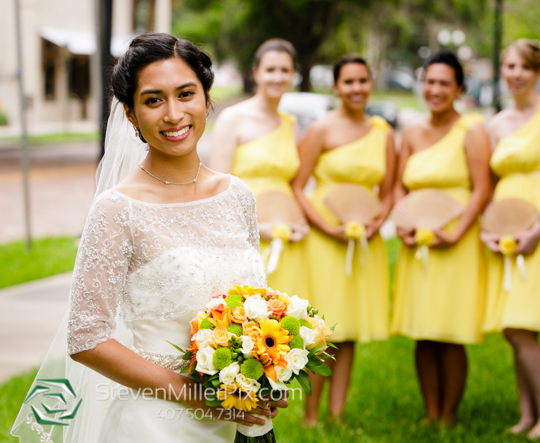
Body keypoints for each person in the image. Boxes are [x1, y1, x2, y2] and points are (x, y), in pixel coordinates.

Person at [12, 33, 286, 442]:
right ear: (132, 114)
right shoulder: (116, 209)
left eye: (186, 94)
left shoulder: (237, 195)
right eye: (154, 100)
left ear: (207, 99)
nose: (174, 114)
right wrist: (201, 397)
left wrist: (267, 371)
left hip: (246, 418)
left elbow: (254, 304)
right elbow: (86, 337)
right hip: (158, 424)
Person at [291, 54, 395, 426]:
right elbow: (299, 187)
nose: (356, 88)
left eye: (362, 81)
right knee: (324, 329)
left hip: (364, 239)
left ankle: (337, 413)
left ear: (371, 84)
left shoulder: (383, 132)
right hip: (325, 237)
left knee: (350, 331)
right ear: (336, 86)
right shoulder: (320, 129)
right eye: (348, 81)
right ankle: (310, 414)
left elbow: (389, 189)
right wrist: (324, 225)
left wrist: (376, 222)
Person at [390, 51, 491, 427]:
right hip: (417, 241)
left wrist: (457, 233)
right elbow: (400, 184)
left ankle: (449, 415)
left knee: (450, 330)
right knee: (424, 329)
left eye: (444, 83)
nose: (435, 90)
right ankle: (430, 412)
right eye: (430, 82)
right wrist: (403, 224)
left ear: (460, 89)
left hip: (456, 240)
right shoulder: (413, 132)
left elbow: (481, 190)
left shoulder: (472, 131)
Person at [480, 39, 540, 439]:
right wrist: (489, 227)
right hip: (505, 225)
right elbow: (489, 184)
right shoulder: (496, 123)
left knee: (523, 324)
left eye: (524, 68)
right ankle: (527, 415)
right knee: (512, 327)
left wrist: (538, 229)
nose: (516, 74)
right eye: (509, 66)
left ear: (538, 72)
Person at [210, 39, 308, 298]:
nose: (278, 77)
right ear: (256, 73)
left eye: (285, 70)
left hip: (286, 233)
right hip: (244, 235)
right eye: (270, 69)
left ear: (293, 75)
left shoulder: (291, 125)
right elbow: (217, 187)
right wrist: (254, 228)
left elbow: (294, 185)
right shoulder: (233, 119)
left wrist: (303, 221)